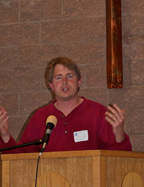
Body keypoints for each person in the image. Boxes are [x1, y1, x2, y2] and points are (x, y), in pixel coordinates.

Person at [0, 57, 132, 154]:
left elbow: (120, 159)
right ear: (51, 85)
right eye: (58, 77)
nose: (64, 82)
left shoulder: (98, 112)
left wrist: (119, 135)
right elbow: (20, 158)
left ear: (79, 82)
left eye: (69, 76)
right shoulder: (40, 117)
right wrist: (5, 135)